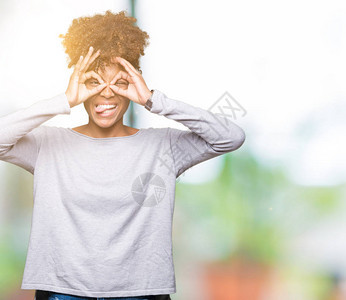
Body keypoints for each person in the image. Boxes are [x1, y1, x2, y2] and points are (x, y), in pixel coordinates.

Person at [0, 10, 246, 300]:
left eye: (119, 83)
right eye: (94, 83)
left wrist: (155, 100)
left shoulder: (162, 146)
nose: (106, 94)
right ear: (79, 85)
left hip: (141, 293)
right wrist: (62, 101)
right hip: (62, 293)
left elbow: (230, 137)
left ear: (134, 85)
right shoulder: (48, 145)